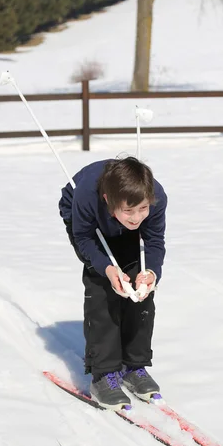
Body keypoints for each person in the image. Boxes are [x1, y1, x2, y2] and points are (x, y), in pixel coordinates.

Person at [59, 156, 167, 409]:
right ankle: (103, 373)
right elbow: (84, 238)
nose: (136, 217)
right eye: (129, 211)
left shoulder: (155, 197)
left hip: (116, 215)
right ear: (109, 201)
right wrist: (107, 268)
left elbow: (153, 241)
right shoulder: (85, 195)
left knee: (139, 288)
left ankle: (134, 366)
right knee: (103, 285)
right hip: (87, 223)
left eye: (142, 209)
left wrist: (151, 273)